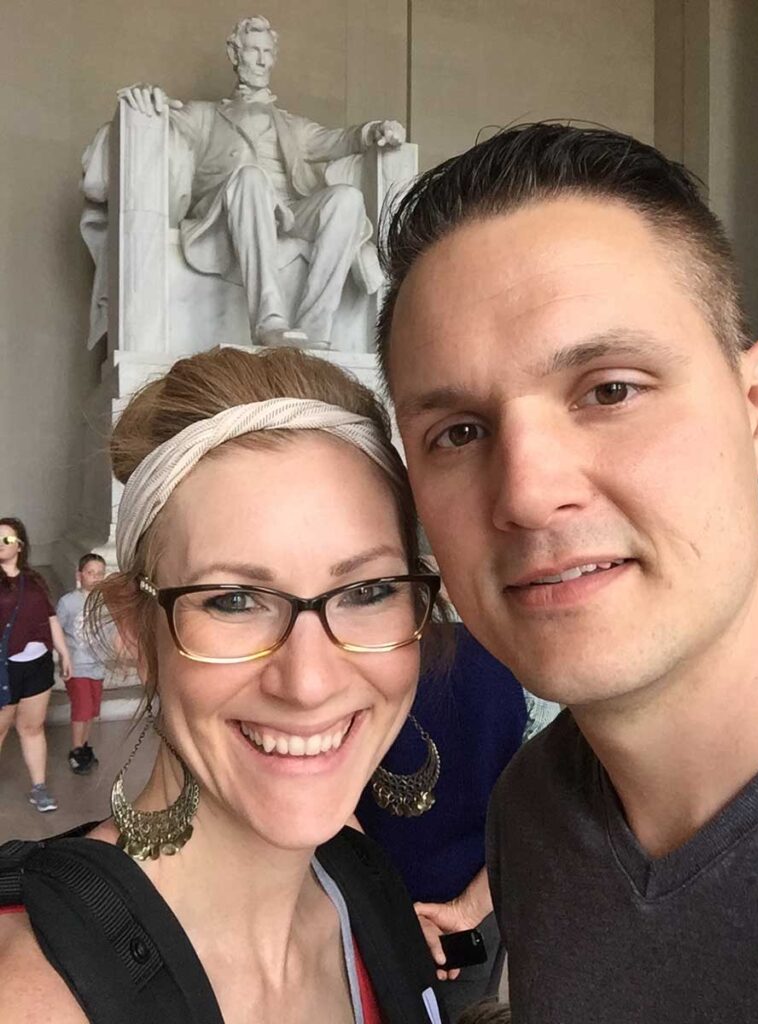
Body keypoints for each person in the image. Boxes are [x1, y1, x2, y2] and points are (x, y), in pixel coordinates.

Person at [375, 122, 758, 1021]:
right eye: (459, 433)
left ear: (756, 412)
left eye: (611, 389)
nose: (526, 492)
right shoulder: (532, 815)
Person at [0, 347, 448, 1023]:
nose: (309, 681)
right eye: (233, 600)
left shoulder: (368, 890)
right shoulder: (28, 992)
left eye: (369, 589)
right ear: (134, 630)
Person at [91, 14, 405, 349]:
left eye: (267, 52)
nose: (261, 59)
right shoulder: (205, 115)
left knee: (347, 199)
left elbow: (340, 140)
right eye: (253, 50)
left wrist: (375, 131)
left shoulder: (292, 125)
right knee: (251, 178)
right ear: (234, 54)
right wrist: (146, 96)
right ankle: (269, 323)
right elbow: (165, 117)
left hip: (288, 213)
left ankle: (315, 330)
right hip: (227, 214)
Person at [356, 623, 530, 1021]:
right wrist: (468, 908)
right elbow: (545, 805)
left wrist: (393, 913)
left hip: (372, 902)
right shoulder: (510, 652)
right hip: (470, 912)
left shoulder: (349, 660)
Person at [0, 517, 72, 812]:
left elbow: (50, 617)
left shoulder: (34, 580)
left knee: (32, 727)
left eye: (6, 539)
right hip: (5, 669)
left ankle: (39, 788)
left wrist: (64, 653)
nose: (0, 544)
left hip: (38, 665)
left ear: (20, 545)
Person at [55, 552, 108, 774]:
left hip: (97, 665)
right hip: (76, 665)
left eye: (99, 573)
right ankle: (76, 751)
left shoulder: (105, 602)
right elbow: (56, 629)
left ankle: (84, 745)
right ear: (79, 575)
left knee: (93, 710)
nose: (95, 577)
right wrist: (63, 656)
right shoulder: (68, 602)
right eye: (90, 572)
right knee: (82, 708)